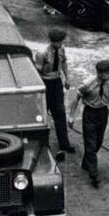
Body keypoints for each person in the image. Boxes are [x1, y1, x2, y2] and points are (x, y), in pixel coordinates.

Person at [69, 58, 109, 188]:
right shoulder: (87, 84)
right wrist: (71, 116)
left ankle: (86, 163)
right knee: (91, 144)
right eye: (103, 73)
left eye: (108, 73)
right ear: (98, 72)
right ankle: (94, 175)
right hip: (90, 114)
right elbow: (76, 99)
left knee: (98, 142)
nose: (106, 76)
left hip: (103, 113)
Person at [35, 28, 75, 160]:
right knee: (42, 114)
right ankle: (41, 144)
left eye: (61, 42)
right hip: (45, 84)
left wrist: (67, 77)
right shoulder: (42, 53)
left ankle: (64, 144)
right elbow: (37, 72)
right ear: (52, 41)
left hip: (57, 83)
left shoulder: (62, 49)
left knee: (60, 112)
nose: (60, 44)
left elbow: (63, 63)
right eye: (58, 42)